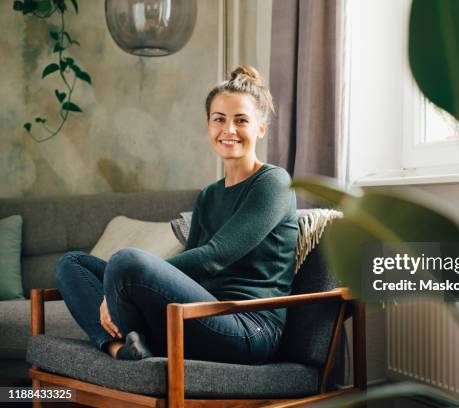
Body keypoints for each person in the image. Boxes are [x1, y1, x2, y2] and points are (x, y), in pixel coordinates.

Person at [55, 66, 298, 364]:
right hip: (197, 316)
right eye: (219, 119)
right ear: (208, 126)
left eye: (241, 120)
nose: (229, 130)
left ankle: (135, 340)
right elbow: (191, 261)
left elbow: (214, 256)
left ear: (261, 128)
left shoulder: (274, 182)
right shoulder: (209, 194)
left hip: (249, 328)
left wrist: (116, 285)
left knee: (125, 261)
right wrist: (116, 284)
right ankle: (120, 349)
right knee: (73, 264)